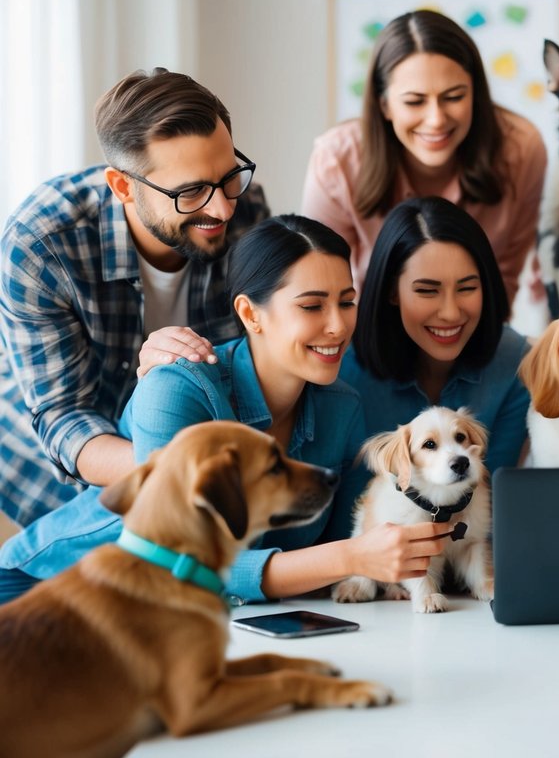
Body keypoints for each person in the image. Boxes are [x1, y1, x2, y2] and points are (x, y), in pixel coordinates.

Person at [0, 215, 451, 605]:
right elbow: (180, 561)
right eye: (312, 305)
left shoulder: (342, 407)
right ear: (251, 315)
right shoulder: (177, 388)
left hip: (213, 621)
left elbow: (350, 535)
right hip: (50, 590)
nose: (337, 325)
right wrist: (348, 559)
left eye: (346, 302)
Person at [0, 69, 269, 526]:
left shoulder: (246, 212)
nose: (222, 207)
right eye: (191, 192)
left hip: (198, 458)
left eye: (228, 178)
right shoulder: (42, 243)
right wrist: (185, 467)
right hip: (59, 469)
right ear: (123, 186)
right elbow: (66, 419)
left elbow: (256, 363)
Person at [302, 10, 546, 303]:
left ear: (476, 95)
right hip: (370, 333)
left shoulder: (520, 149)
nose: (436, 120)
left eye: (454, 97)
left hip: (476, 330)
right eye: (414, 101)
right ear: (384, 105)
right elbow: (321, 290)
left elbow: (502, 283)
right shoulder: (337, 159)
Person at [340, 197, 529, 474]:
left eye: (466, 288)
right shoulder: (342, 368)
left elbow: (494, 496)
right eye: (427, 290)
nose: (451, 313)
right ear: (392, 292)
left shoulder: (514, 363)